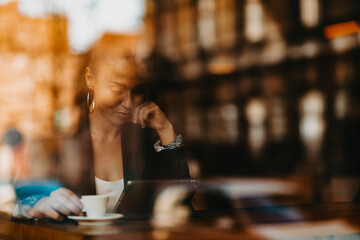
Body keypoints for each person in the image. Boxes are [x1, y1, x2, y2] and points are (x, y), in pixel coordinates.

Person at [14, 34, 189, 220]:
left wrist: (166, 130)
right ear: (90, 79)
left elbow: (180, 196)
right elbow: (17, 203)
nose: (129, 103)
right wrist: (40, 204)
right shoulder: (64, 140)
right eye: (117, 89)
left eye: (137, 90)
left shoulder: (142, 140)